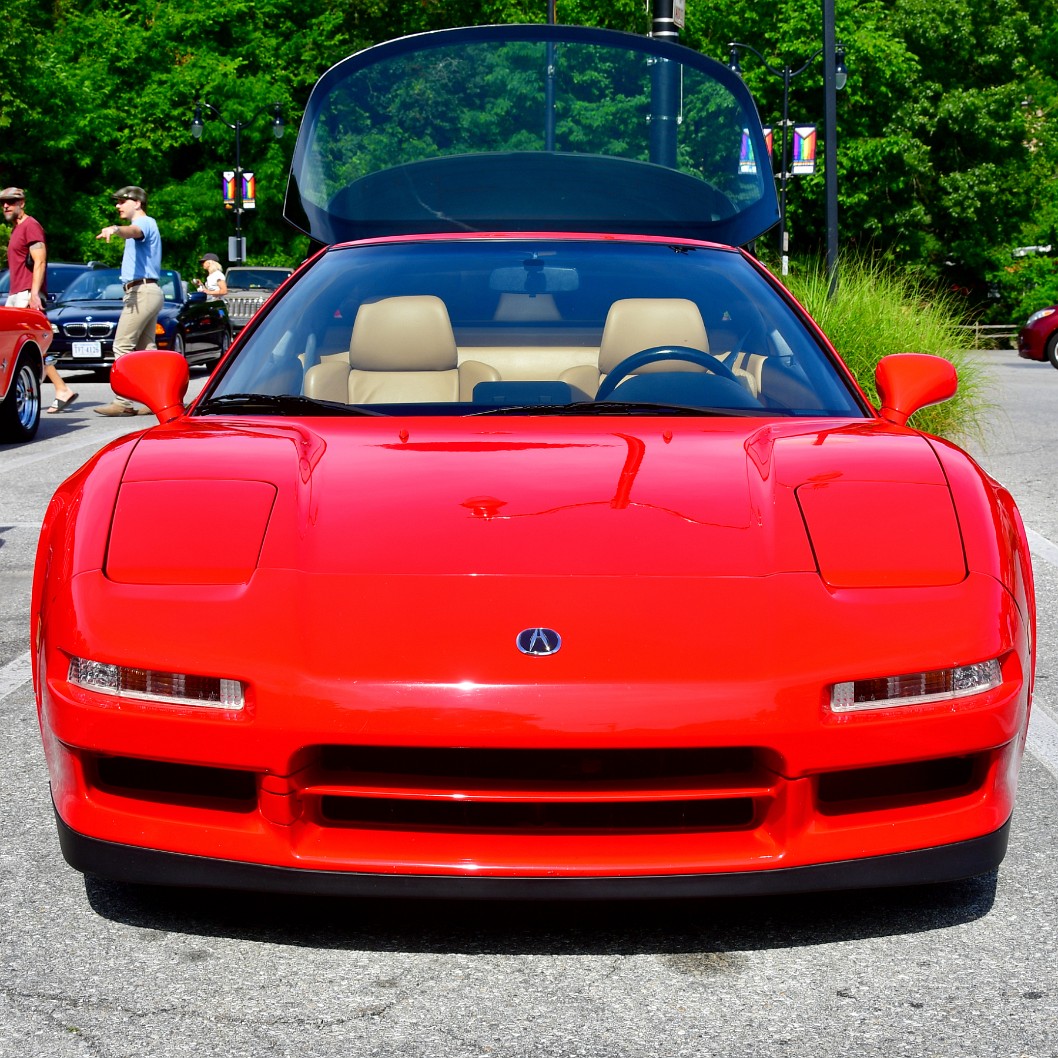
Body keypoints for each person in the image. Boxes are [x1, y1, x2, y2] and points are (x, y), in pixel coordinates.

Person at [1, 187, 78, 413]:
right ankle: (61, 389)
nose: (6, 206)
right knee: (25, 347)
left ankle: (58, 389)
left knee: (28, 346)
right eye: (3, 203)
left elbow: (40, 261)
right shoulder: (17, 229)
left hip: (26, 293)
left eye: (11, 202)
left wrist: (34, 294)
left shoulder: (31, 226)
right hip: (17, 293)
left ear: (22, 203)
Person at [93, 185, 163, 416]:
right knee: (146, 349)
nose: (118, 205)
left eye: (122, 201)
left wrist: (114, 229)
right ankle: (155, 399)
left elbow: (133, 231)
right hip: (147, 291)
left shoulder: (144, 223)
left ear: (138, 203)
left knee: (122, 346)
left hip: (141, 292)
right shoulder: (148, 223)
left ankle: (123, 401)